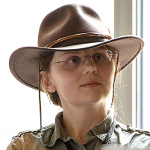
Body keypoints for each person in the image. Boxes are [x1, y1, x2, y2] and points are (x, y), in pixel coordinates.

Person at [7, 4, 150, 150]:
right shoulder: (25, 147)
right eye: (73, 60)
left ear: (114, 68)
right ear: (47, 80)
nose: (91, 68)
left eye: (99, 56)